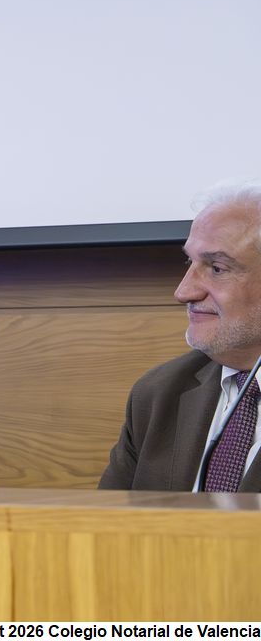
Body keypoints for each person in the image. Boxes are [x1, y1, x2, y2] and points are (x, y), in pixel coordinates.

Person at [101, 179, 261, 491]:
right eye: (190, 261)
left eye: (217, 268)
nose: (183, 292)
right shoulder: (159, 392)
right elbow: (107, 520)